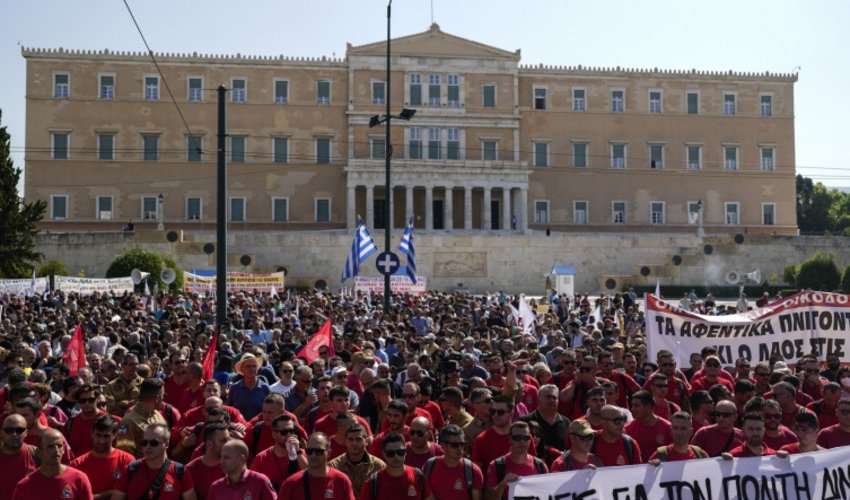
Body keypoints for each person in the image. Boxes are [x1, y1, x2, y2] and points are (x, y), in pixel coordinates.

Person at [112, 423, 196, 499]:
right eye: (144, 442)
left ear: (166, 444)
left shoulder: (180, 472)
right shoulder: (130, 470)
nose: (148, 447)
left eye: (153, 443)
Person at [11, 428, 92, 500]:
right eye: (50, 447)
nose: (56, 451)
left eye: (59, 446)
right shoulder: (24, 486)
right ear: (39, 452)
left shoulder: (79, 479)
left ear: (64, 450)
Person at [68, 415, 134, 499]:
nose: (101, 441)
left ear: (114, 435)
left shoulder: (127, 461)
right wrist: (107, 494)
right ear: (92, 434)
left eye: (106, 436)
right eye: (98, 435)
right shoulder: (77, 464)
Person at [277, 432, 355, 500]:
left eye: (319, 452)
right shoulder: (291, 484)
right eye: (309, 451)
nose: (313, 455)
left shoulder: (342, 481)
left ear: (329, 453)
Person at [359, 432, 433, 500]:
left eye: (400, 452)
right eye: (391, 453)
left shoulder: (418, 476)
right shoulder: (373, 483)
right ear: (384, 454)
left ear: (405, 452)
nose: (396, 457)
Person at [484, 422, 547, 500]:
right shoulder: (496, 465)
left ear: (530, 440)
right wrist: (502, 485)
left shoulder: (540, 465)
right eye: (517, 438)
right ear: (510, 439)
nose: (522, 441)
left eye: (525, 438)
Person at [422, 425, 484, 500]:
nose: (460, 449)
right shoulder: (430, 466)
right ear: (443, 446)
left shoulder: (473, 471)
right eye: (455, 445)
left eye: (462, 444)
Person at [251, 414, 308, 491]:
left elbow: (313, 475)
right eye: (284, 432)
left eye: (292, 431)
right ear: (274, 434)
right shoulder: (261, 458)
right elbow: (252, 484)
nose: (289, 435)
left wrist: (298, 452)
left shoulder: (302, 454)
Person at [115, 377, 168, 457]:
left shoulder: (158, 415)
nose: (163, 399)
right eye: (163, 395)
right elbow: (124, 454)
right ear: (157, 398)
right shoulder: (128, 422)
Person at [207, 440, 276, 500]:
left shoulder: (260, 481)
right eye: (221, 457)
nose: (221, 461)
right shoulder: (216, 487)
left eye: (226, 457)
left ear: (241, 459)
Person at [328, 423, 385, 494]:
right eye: (351, 439)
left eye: (358, 439)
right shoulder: (334, 466)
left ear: (366, 441)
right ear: (346, 442)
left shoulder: (379, 466)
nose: (354, 443)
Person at [471, 395, 518, 472]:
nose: (495, 415)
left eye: (500, 412)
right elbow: (476, 472)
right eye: (493, 411)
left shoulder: (523, 437)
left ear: (511, 413)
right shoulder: (482, 439)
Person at [184, 423, 228, 500]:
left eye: (228, 439)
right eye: (223, 440)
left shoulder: (234, 465)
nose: (228, 443)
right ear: (209, 444)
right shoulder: (190, 470)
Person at [624, 390, 672, 460]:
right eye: (632, 405)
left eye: (636, 406)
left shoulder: (668, 428)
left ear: (648, 407)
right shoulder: (627, 429)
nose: (632, 409)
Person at [0, 414, 40, 498]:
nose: (14, 434)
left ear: (26, 433)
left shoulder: (37, 455)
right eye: (9, 430)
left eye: (19, 430)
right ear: (1, 434)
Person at [520, 384, 569, 451]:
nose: (551, 400)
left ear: (558, 401)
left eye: (554, 398)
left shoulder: (566, 423)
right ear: (539, 398)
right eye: (548, 397)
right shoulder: (525, 422)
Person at [64, 384, 109, 455]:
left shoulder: (111, 421)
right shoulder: (70, 424)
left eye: (91, 400)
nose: (87, 403)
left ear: (97, 399)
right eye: (82, 400)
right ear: (77, 402)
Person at [227, 354, 271, 421]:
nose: (252, 369)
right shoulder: (234, 388)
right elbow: (229, 410)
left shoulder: (265, 388)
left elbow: (270, 411)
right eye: (248, 366)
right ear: (242, 369)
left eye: (254, 366)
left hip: (259, 428)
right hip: (239, 428)